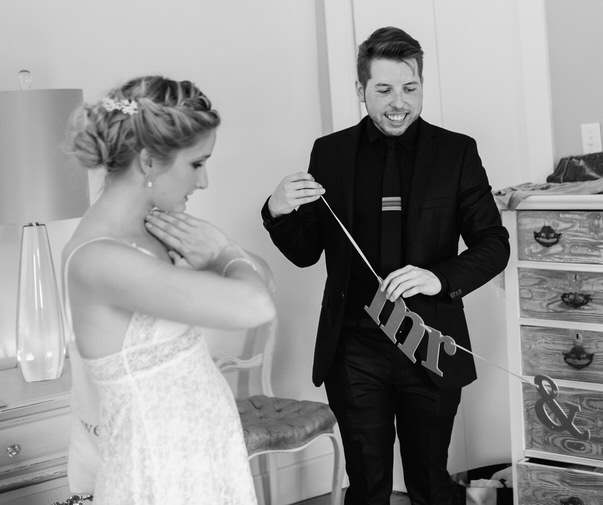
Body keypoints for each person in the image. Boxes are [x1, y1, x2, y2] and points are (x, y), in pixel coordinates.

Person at [261, 26, 509, 505]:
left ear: (422, 85)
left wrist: (439, 277)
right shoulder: (328, 153)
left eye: (410, 88)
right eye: (384, 89)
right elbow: (305, 251)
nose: (399, 102)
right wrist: (275, 210)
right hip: (354, 347)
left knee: (430, 484)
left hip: (431, 343)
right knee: (369, 487)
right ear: (361, 91)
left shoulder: (457, 151)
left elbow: (493, 244)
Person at [63, 75, 276, 504]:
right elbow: (254, 303)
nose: (204, 182)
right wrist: (223, 254)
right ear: (149, 161)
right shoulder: (98, 259)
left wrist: (225, 256)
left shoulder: (154, 230)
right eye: (197, 163)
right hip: (158, 476)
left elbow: (263, 278)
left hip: (204, 459)